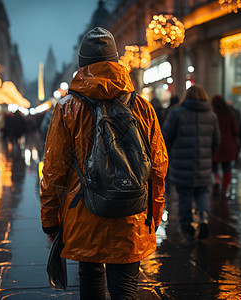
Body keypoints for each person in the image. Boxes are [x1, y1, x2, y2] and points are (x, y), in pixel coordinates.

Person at [40, 27, 168, 299]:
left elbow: (53, 171)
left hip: (85, 212)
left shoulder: (67, 108)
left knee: (90, 280)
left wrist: (50, 221)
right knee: (125, 289)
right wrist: (153, 216)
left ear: (81, 65)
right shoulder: (143, 107)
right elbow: (158, 167)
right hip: (131, 212)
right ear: (117, 61)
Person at [162, 85, 220, 244]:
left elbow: (165, 137)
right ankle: (203, 218)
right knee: (202, 194)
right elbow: (216, 141)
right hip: (203, 164)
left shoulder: (177, 113)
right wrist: (207, 155)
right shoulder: (211, 116)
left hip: (182, 165)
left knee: (184, 198)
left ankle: (188, 231)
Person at [211, 95, 239, 197]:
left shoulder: (212, 115)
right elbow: (235, 130)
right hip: (228, 146)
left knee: (213, 168)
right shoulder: (229, 115)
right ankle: (224, 189)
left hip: (215, 145)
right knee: (226, 168)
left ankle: (216, 184)